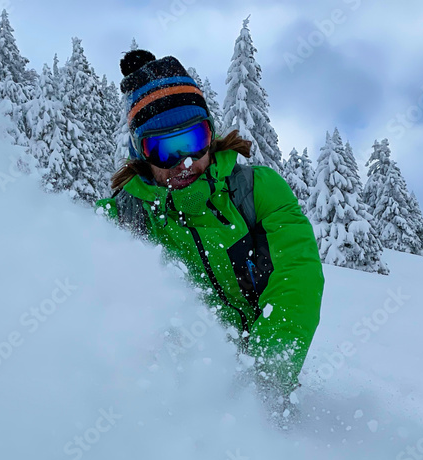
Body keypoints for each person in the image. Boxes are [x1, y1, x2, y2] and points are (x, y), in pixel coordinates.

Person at [97, 50, 324, 410]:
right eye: (165, 149)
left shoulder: (254, 190)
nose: (184, 162)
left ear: (210, 135)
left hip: (263, 380)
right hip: (173, 395)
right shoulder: (128, 217)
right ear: (141, 154)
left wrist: (264, 377)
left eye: (192, 141)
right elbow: (73, 268)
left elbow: (297, 279)